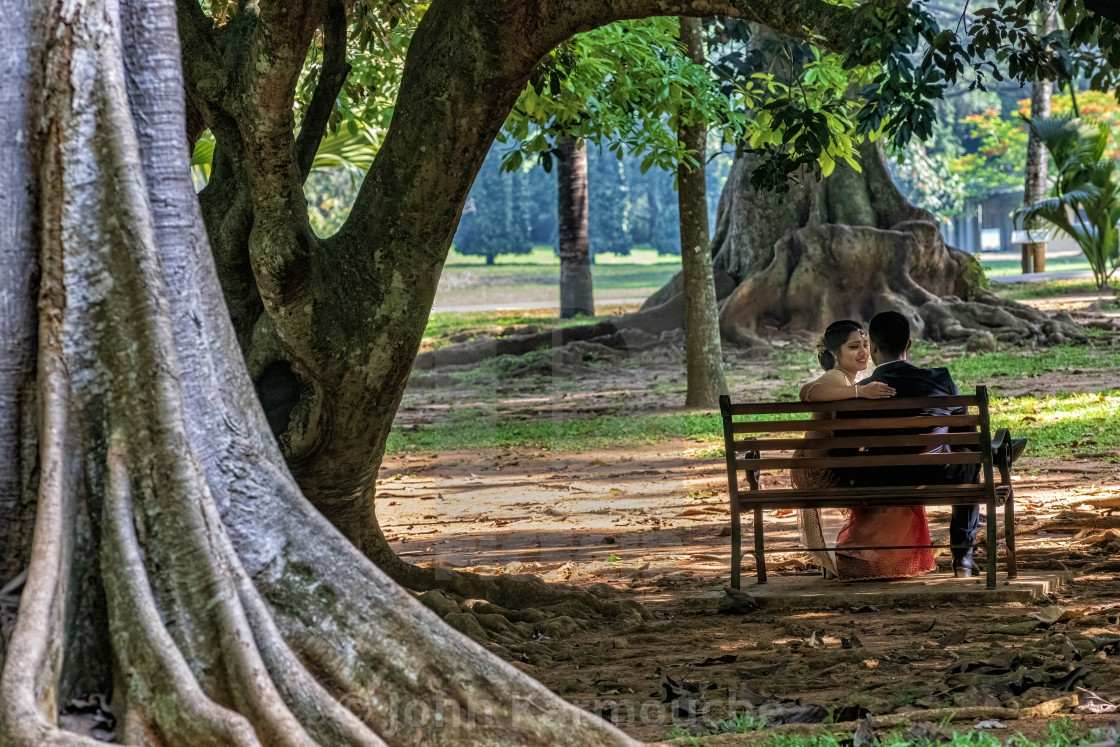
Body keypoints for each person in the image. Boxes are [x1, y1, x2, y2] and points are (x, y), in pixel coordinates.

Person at [853, 311, 1024, 578]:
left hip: (881, 477)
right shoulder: (939, 379)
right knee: (968, 459)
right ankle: (963, 558)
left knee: (966, 455)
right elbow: (965, 430)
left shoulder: (862, 389)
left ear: (872, 348)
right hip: (938, 472)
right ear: (908, 345)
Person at [790, 320, 898, 579]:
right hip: (819, 472)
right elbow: (808, 391)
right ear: (835, 353)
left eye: (865, 345)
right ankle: (864, 560)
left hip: (823, 465)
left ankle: (855, 560)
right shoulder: (838, 377)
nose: (863, 352)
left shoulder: (848, 382)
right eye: (853, 347)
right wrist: (860, 392)